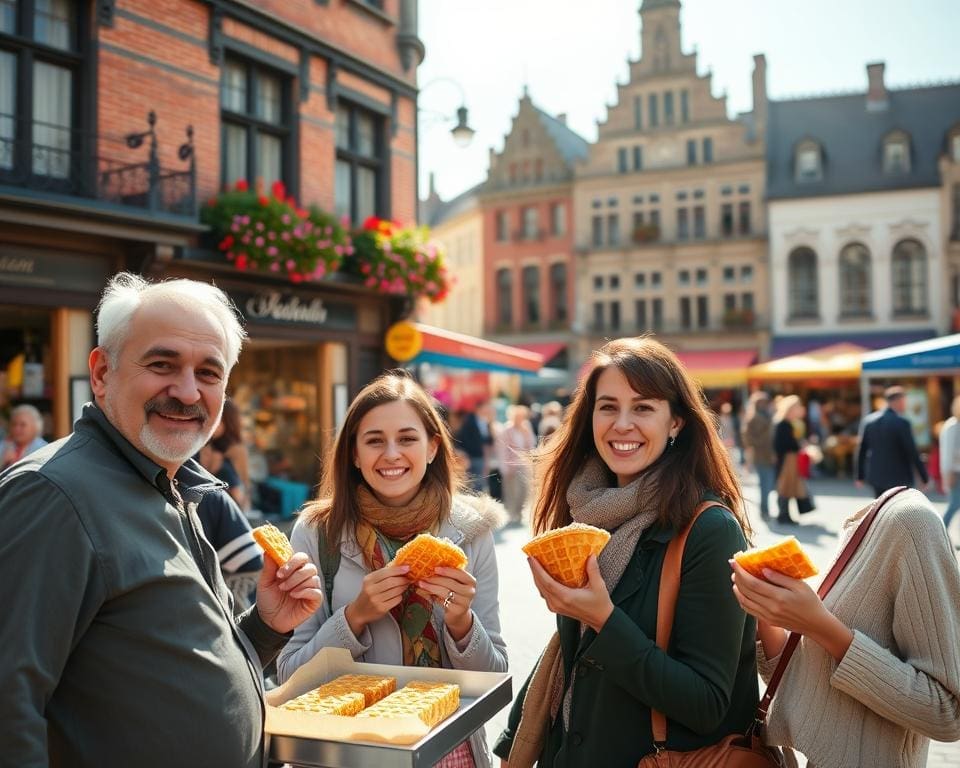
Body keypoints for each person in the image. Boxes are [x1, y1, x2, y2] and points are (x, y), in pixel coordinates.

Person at [0, 272, 322, 768]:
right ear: (103, 372)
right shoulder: (52, 495)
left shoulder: (171, 484)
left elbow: (163, 669)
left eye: (209, 373)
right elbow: (8, 708)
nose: (188, 392)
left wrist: (266, 627)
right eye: (162, 364)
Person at [493, 337, 758, 767]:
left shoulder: (710, 530)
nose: (622, 424)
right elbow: (569, 650)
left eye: (643, 408)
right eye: (608, 406)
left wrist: (603, 618)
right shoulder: (585, 513)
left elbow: (707, 702)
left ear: (676, 422)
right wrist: (516, 744)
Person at [277, 370, 508, 768]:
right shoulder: (317, 534)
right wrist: (354, 618)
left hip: (449, 751)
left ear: (433, 447)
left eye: (406, 438)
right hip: (351, 755)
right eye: (374, 441)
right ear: (353, 454)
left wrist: (461, 622)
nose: (391, 454)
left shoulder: (471, 532)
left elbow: (495, 676)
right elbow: (290, 678)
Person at [731, 487, 960, 766]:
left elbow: (948, 713)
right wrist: (768, 614)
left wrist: (819, 626)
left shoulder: (913, 523)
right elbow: (808, 684)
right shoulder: (864, 523)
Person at [856, 386, 929, 496]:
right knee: (900, 510)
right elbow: (912, 451)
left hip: (876, 477)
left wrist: (860, 476)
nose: (905, 405)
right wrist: (924, 477)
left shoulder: (869, 421)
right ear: (898, 401)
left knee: (881, 508)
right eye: (904, 401)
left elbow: (862, 451)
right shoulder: (902, 423)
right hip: (899, 477)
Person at [200, 397, 253, 510]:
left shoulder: (236, 448)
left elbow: (244, 481)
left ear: (228, 422)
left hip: (230, 505)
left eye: (217, 420)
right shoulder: (205, 444)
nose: (211, 423)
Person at [773, 395, 814, 525]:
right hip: (786, 461)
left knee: (790, 488)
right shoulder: (783, 424)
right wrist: (799, 445)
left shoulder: (788, 423)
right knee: (785, 488)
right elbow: (782, 445)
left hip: (790, 460)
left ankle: (786, 515)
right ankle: (783, 515)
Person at [498, 404, 537, 524]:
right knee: (511, 491)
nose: (519, 418)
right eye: (517, 416)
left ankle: (519, 512)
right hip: (511, 466)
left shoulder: (526, 428)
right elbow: (502, 450)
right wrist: (504, 467)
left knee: (525, 490)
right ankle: (512, 513)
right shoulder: (506, 430)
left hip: (524, 464)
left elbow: (532, 444)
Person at [741, 391, 776, 520]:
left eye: (765, 402)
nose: (764, 405)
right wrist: (762, 439)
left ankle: (766, 510)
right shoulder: (753, 418)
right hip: (760, 456)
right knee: (764, 485)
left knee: (770, 484)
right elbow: (748, 439)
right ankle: (764, 511)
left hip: (770, 455)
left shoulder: (769, 416)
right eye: (761, 402)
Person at [938, 395, 960, 544]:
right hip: (955, 472)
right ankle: (939, 535)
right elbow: (946, 453)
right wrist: (947, 474)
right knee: (954, 504)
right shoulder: (952, 426)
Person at [0, 403, 48, 468]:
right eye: (14, 424)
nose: (16, 429)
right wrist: (2, 461)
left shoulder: (44, 449)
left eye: (22, 425)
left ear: (36, 428)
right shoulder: (3, 445)